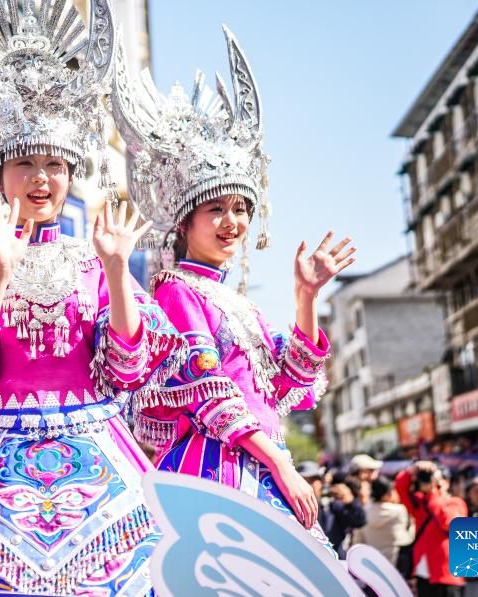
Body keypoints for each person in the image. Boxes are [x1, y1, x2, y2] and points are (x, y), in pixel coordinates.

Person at [0, 0, 185, 592]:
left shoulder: (92, 258)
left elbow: (129, 370)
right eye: (24, 162)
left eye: (54, 163)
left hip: (98, 466)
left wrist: (114, 269)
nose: (40, 178)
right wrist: (0, 272)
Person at [112, 25, 351, 554]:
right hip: (215, 469)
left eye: (241, 208)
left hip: (263, 466)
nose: (231, 222)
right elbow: (207, 390)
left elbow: (291, 384)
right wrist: (280, 465)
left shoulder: (237, 302)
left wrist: (305, 296)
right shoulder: (175, 291)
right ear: (183, 221)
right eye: (215, 208)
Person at [397, 461, 467, 596]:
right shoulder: (421, 502)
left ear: (446, 483)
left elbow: (448, 523)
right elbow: (401, 488)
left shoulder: (455, 503)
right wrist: (412, 470)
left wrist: (433, 494)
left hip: (447, 573)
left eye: (437, 480)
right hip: (424, 572)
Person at [353, 476, 412, 565]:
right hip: (396, 563)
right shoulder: (399, 510)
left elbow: (358, 540)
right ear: (387, 494)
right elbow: (405, 539)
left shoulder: (363, 512)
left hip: (372, 563)